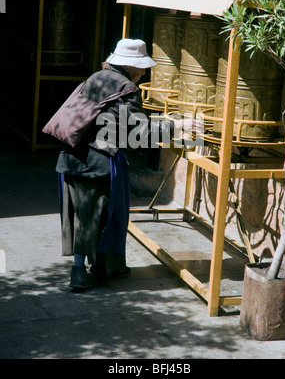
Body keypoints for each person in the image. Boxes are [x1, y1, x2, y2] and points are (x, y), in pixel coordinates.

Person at [56, 38, 201, 290]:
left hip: (71, 155)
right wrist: (178, 125)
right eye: (142, 67)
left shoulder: (96, 77)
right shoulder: (127, 88)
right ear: (131, 66)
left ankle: (103, 266)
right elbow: (138, 133)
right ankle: (79, 273)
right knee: (96, 217)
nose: (144, 72)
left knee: (81, 214)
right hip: (97, 162)